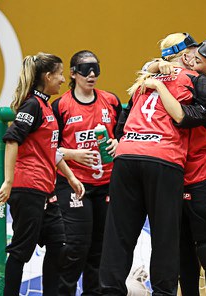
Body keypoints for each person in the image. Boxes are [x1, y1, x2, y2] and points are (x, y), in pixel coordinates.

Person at [99, 33, 206, 296]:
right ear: (186, 54)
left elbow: (122, 124)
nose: (195, 57)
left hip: (127, 157)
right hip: (167, 161)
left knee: (118, 237)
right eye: (193, 52)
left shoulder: (143, 80)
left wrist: (153, 69)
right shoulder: (192, 79)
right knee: (170, 241)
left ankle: (110, 291)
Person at [0, 53, 84, 296]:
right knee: (20, 252)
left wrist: (71, 177)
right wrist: (8, 181)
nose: (63, 79)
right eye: (59, 74)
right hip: (28, 188)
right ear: (47, 76)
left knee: (59, 245)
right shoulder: (32, 104)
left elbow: (50, 150)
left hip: (46, 190)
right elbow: (12, 140)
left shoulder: (45, 106)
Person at [51, 50, 122, 295]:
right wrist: (73, 155)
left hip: (106, 182)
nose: (91, 74)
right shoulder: (61, 106)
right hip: (74, 183)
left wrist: (119, 144)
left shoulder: (111, 101)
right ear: (72, 73)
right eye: (84, 69)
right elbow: (48, 147)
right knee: (76, 246)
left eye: (96, 69)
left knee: (100, 247)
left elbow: (126, 135)